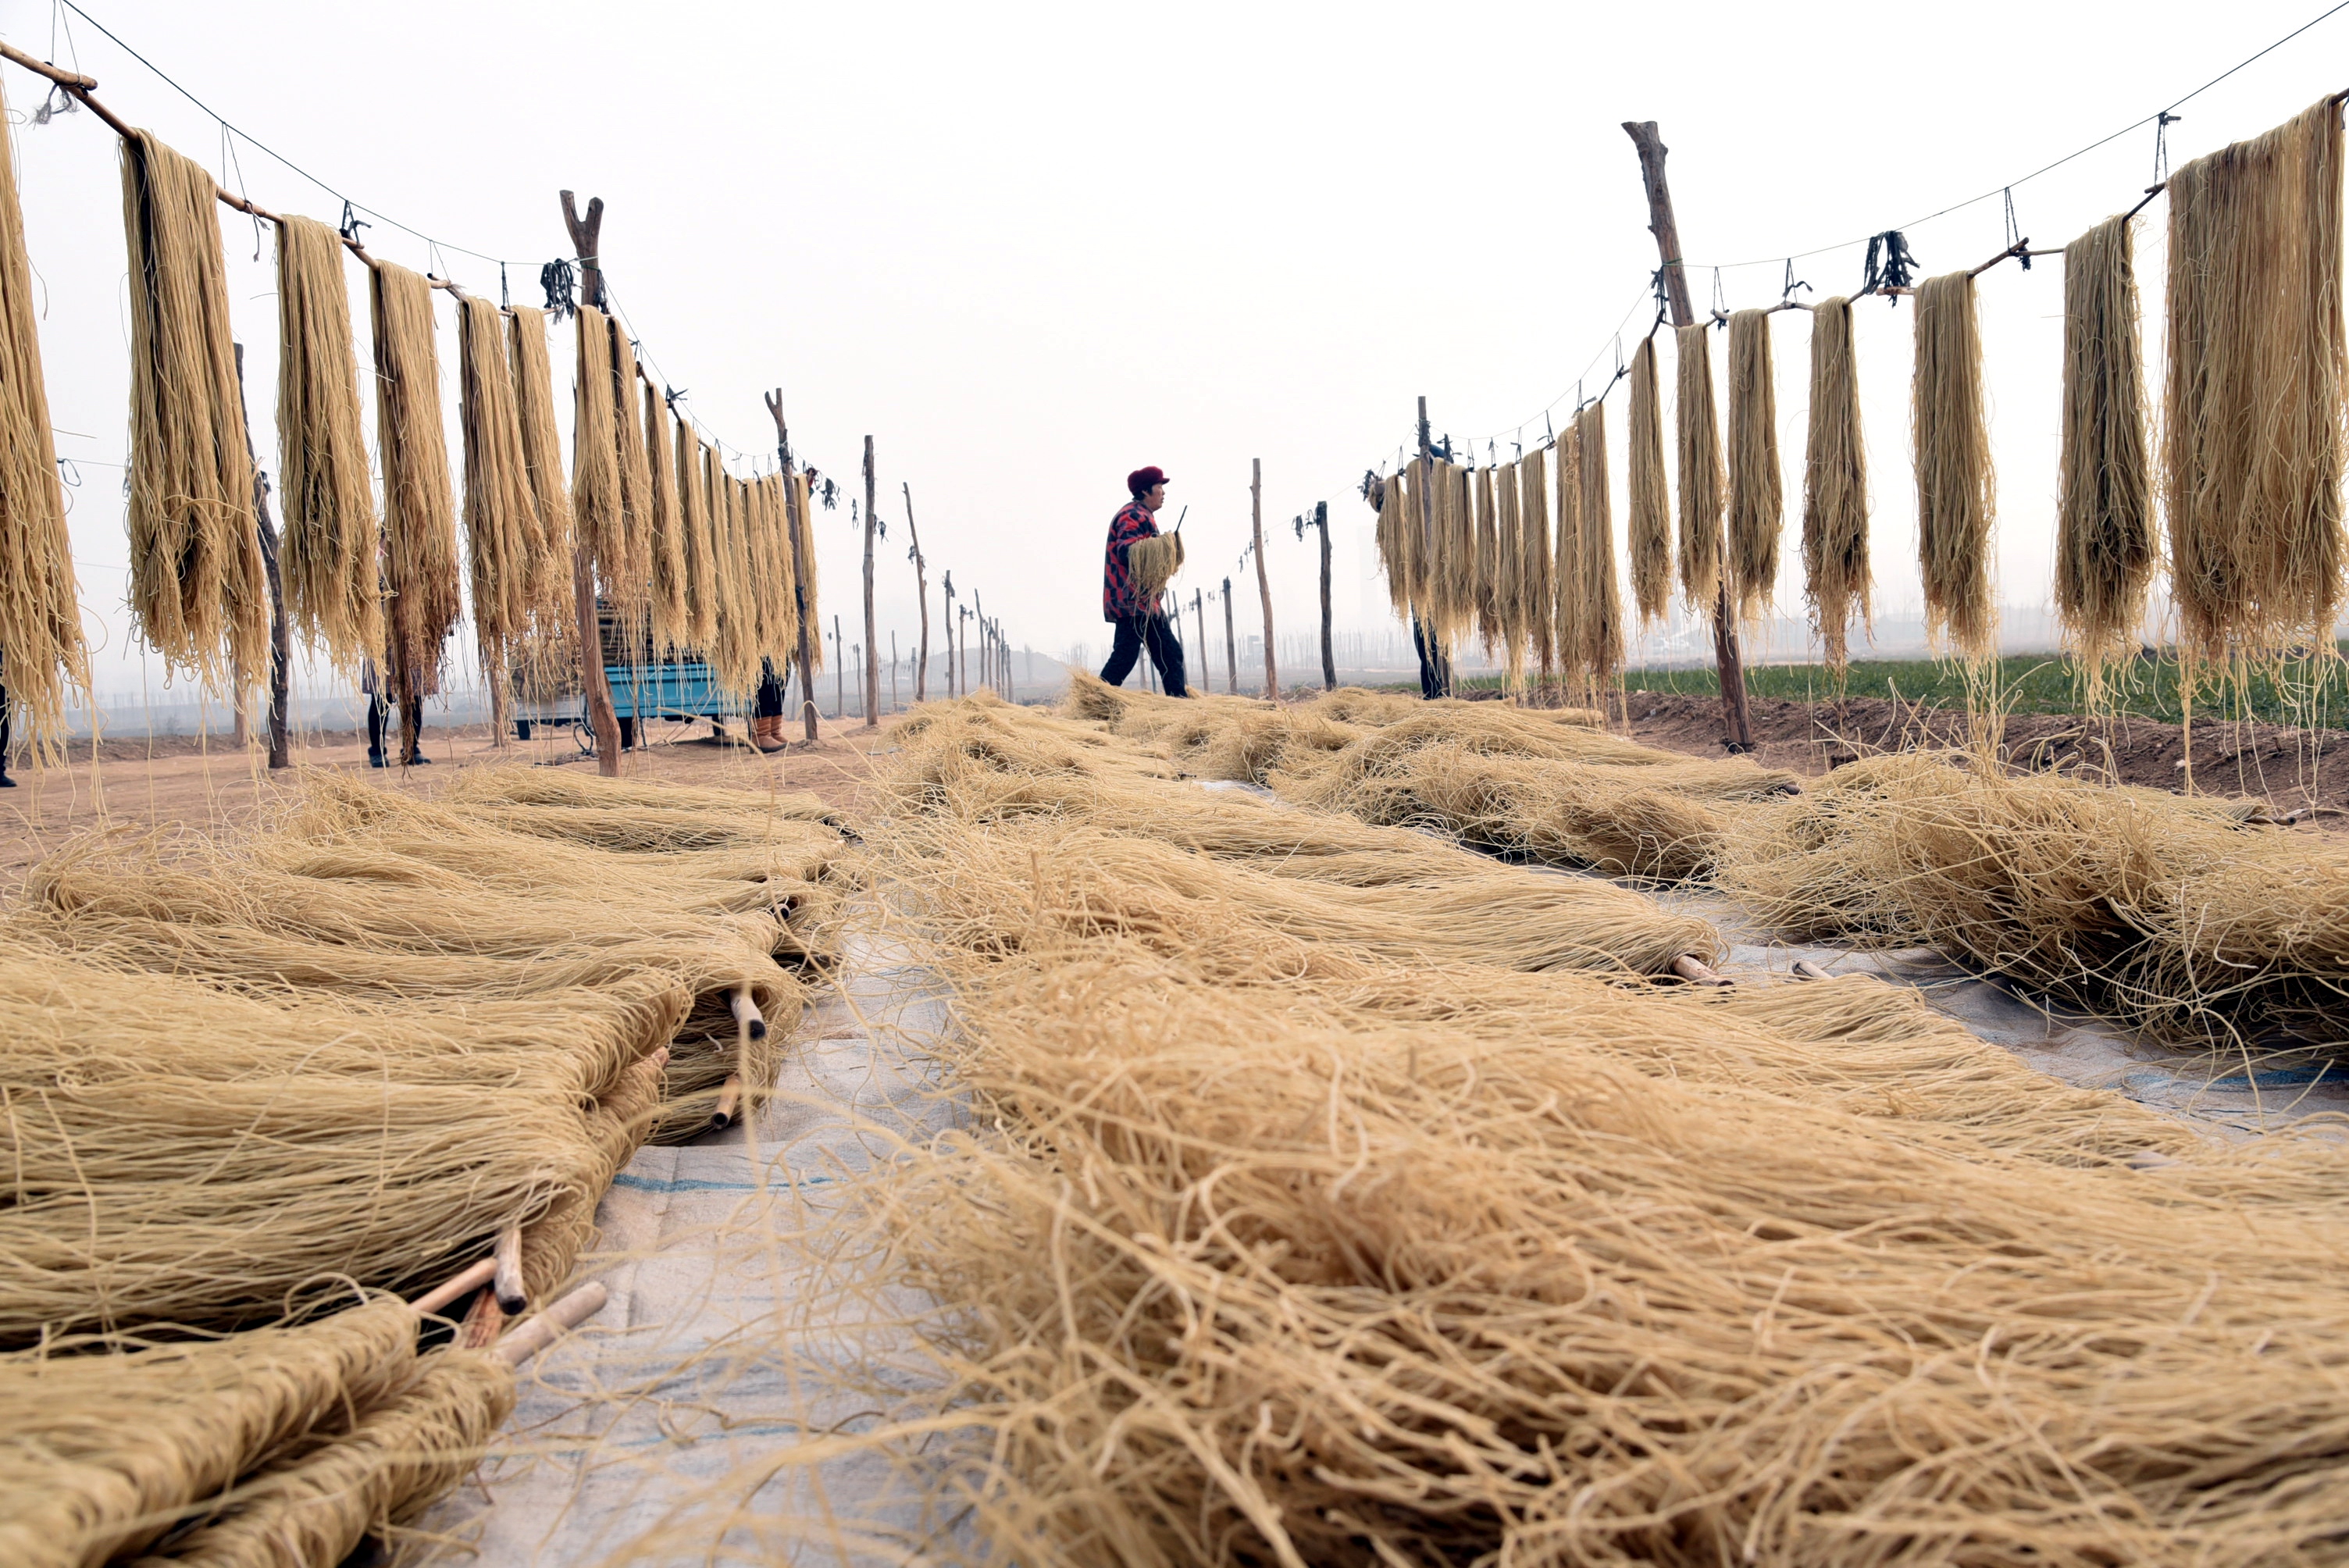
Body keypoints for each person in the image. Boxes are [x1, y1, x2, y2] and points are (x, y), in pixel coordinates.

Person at [1099, 465, 1189, 696]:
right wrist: (1164, 545)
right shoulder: (1132, 515)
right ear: (1146, 491)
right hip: (1131, 601)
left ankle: (1180, 704)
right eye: (1160, 487)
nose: (1163, 492)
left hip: (1144, 603)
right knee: (1125, 656)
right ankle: (1095, 701)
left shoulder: (1142, 514)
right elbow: (1127, 552)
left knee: (1169, 653)